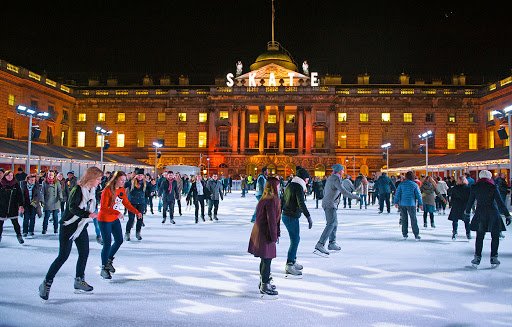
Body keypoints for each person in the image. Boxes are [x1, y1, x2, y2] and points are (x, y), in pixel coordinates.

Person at [38, 167, 103, 301]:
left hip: (80, 226)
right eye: (98, 178)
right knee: (63, 256)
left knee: (84, 252)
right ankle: (46, 283)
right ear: (91, 178)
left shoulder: (92, 190)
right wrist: (88, 214)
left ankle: (79, 280)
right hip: (68, 225)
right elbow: (72, 207)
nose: (99, 181)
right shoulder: (78, 189)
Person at [98, 171, 142, 279]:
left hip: (114, 219)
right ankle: (104, 268)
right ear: (115, 179)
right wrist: (117, 213)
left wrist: (137, 212)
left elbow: (126, 203)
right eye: (121, 180)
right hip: (105, 219)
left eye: (124, 180)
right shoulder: (107, 190)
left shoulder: (121, 190)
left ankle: (109, 260)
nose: (123, 182)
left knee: (119, 240)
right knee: (107, 243)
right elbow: (103, 208)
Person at [465, 170, 511, 268]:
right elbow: (500, 202)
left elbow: (470, 201)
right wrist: (507, 215)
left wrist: (467, 213)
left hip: (480, 214)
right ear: (489, 177)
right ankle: (494, 257)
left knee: (480, 237)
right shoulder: (493, 187)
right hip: (493, 214)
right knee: (495, 236)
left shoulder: (475, 187)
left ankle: (477, 257)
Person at [315, 164, 359, 256]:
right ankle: (320, 244)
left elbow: (325, 191)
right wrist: (354, 196)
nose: (343, 172)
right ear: (339, 171)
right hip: (330, 204)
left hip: (329, 203)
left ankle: (332, 243)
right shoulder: (336, 179)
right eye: (342, 170)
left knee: (334, 223)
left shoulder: (331, 178)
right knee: (331, 224)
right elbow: (343, 191)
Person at [248, 177, 281, 298]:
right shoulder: (271, 200)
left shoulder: (265, 199)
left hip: (260, 232)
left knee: (265, 258)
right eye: (277, 186)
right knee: (267, 259)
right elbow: (271, 220)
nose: (279, 188)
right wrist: (274, 235)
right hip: (266, 233)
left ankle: (263, 280)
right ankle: (265, 284)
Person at [281, 166, 312, 278]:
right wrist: (308, 216)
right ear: (303, 178)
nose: (308, 181)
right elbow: (301, 203)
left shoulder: (290, 185)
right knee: (295, 239)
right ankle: (289, 264)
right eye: (307, 179)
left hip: (288, 215)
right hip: (291, 216)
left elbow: (282, 199)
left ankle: (293, 260)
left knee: (296, 239)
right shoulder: (298, 187)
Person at [393, 171, 423, 240]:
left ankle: (405, 234)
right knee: (413, 219)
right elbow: (419, 195)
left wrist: (396, 202)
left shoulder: (401, 184)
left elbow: (397, 193)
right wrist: (420, 204)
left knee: (404, 219)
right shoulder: (414, 185)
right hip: (411, 204)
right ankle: (416, 234)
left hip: (402, 204)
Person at [0, 170, 25, 244]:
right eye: (8, 175)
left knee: (15, 223)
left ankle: (19, 236)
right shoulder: (0, 184)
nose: (10, 177)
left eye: (11, 175)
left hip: (12, 207)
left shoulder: (16, 185)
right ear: (5, 176)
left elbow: (20, 196)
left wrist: (21, 205)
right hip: (2, 207)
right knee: (0, 224)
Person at [124, 168, 148, 241]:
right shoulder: (131, 182)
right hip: (132, 203)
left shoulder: (145, 183)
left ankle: (138, 233)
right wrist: (131, 179)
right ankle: (127, 233)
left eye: (141, 175)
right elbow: (124, 185)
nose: (140, 176)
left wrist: (153, 187)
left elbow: (150, 190)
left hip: (141, 203)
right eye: (138, 175)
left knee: (140, 219)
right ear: (136, 175)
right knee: (131, 219)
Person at [447, 176, 471, 240]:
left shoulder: (455, 188)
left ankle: (455, 232)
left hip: (456, 205)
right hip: (464, 206)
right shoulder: (468, 188)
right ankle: (468, 233)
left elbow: (452, 196)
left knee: (455, 220)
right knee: (466, 221)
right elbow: (470, 198)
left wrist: (451, 203)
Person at [21, 173, 42, 238]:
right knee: (26, 218)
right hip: (26, 204)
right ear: (28, 180)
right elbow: (21, 195)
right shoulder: (23, 186)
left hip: (34, 204)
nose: (32, 181)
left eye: (33, 180)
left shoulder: (37, 186)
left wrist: (34, 202)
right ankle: (25, 231)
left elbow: (38, 196)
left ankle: (31, 230)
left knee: (32, 218)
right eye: (31, 180)